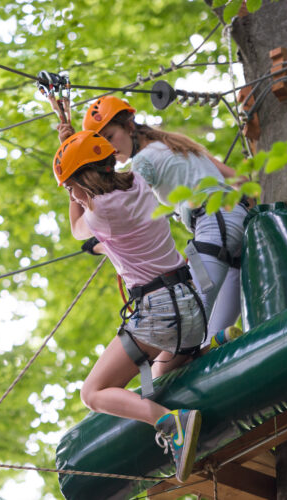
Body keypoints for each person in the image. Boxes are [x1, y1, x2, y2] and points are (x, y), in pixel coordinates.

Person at [53, 130, 207, 482]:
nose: (71, 194)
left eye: (70, 188)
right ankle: (209, 351)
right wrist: (70, 144)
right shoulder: (139, 180)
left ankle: (168, 423)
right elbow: (93, 174)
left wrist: (70, 185)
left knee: (92, 393)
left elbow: (77, 226)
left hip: (160, 317)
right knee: (159, 382)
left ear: (82, 182)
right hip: (192, 309)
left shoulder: (100, 215)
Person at [58, 96, 248, 375]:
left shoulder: (144, 161)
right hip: (234, 228)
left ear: (129, 125)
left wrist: (77, 160)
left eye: (109, 136)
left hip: (213, 227)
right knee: (209, 337)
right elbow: (238, 179)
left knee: (177, 340)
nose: (108, 147)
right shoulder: (175, 144)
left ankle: (169, 408)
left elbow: (117, 198)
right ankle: (218, 345)